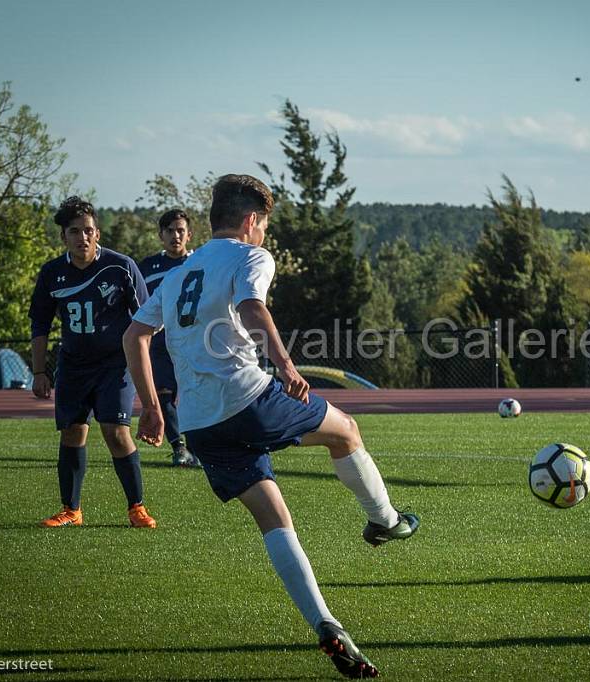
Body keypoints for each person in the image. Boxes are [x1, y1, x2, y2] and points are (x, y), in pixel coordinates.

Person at [123, 173, 418, 678]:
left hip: (199, 423)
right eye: (263, 225)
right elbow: (252, 306)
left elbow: (135, 335)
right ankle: (386, 520)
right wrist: (285, 363)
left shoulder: (175, 276)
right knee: (345, 430)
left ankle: (326, 623)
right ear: (251, 221)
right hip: (248, 397)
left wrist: (150, 406)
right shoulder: (249, 257)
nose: (264, 235)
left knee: (274, 517)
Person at [29, 196, 156, 529]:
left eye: (88, 231)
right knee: (72, 432)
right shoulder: (52, 273)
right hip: (72, 365)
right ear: (64, 237)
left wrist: (143, 361)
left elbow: (147, 318)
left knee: (115, 432)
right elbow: (40, 324)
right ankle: (71, 509)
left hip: (115, 365)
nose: (82, 237)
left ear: (97, 233)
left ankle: (137, 507)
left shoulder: (121, 266)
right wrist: (39, 371)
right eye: (74, 231)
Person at [138, 208, 200, 467]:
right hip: (160, 342)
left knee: (194, 394)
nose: (176, 235)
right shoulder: (148, 266)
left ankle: (199, 448)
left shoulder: (201, 262)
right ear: (161, 235)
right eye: (170, 231)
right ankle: (179, 448)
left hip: (195, 341)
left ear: (189, 234)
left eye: (181, 230)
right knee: (164, 393)